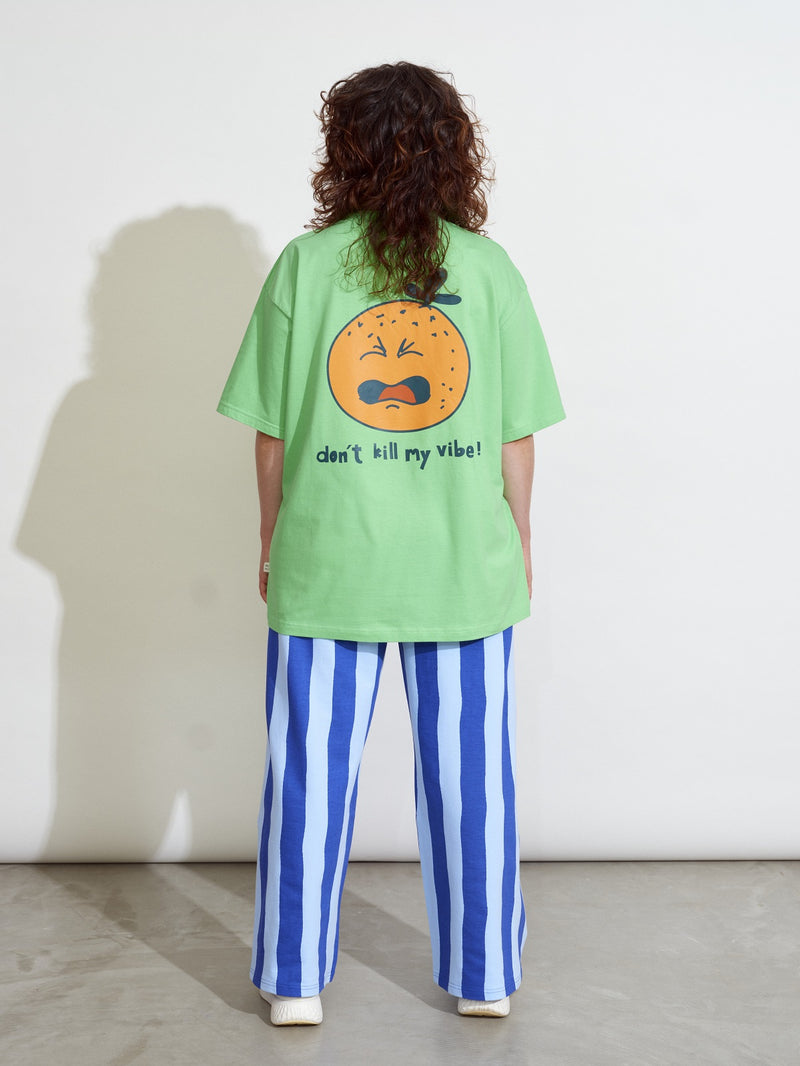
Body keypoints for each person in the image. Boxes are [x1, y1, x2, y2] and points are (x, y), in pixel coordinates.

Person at [217, 61, 566, 1027]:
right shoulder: (488, 271)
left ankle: (293, 980)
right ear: (458, 152)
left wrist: (270, 534)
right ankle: (485, 976)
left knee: (307, 778)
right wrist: (519, 537)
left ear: (345, 152)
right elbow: (516, 434)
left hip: (329, 558)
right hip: (461, 561)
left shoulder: (305, 266)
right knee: (472, 782)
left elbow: (272, 432)